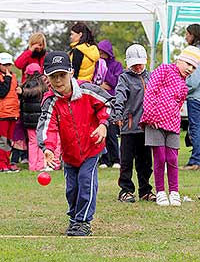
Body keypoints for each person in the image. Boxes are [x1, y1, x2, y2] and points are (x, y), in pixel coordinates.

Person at [36, 51, 112, 236]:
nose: (59, 81)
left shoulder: (88, 90)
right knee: (72, 189)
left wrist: (103, 124)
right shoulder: (50, 101)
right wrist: (48, 149)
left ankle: (83, 222)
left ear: (71, 72)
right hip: (70, 154)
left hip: (92, 148)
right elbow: (48, 127)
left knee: (86, 182)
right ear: (47, 77)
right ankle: (74, 219)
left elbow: (108, 103)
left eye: (62, 75)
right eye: (54, 77)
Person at [140, 45, 200, 206]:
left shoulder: (184, 82)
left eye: (194, 67)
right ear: (180, 60)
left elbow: (179, 102)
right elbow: (151, 90)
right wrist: (151, 114)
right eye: (189, 64)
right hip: (155, 122)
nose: (191, 69)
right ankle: (160, 192)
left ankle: (174, 191)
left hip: (172, 123)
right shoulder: (164, 70)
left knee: (172, 158)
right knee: (159, 157)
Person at [112, 44, 155, 203]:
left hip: (146, 128)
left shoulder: (150, 76)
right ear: (127, 63)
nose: (137, 67)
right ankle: (126, 191)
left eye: (140, 63)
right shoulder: (124, 78)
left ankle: (145, 190)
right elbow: (120, 95)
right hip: (129, 127)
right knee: (126, 162)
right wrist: (117, 112)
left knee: (146, 163)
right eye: (134, 64)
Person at [97, 39, 123, 168]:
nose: (101, 54)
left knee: (112, 132)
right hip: (99, 102)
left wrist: (105, 69)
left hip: (112, 101)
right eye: (99, 52)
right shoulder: (96, 64)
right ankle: (104, 159)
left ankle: (116, 159)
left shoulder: (116, 65)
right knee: (102, 131)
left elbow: (116, 82)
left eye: (103, 52)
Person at [19, 63, 49, 171]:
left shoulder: (25, 86)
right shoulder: (44, 86)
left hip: (28, 120)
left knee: (32, 142)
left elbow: (23, 96)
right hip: (41, 119)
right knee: (41, 142)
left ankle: (32, 166)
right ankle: (41, 165)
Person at [180, 24, 200, 170]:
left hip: (195, 97)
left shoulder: (194, 52)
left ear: (193, 35)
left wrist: (181, 90)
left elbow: (193, 80)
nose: (186, 37)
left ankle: (195, 161)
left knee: (195, 128)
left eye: (187, 34)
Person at [0, 52, 20, 172]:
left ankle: (7, 163)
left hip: (13, 113)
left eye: (9, 64)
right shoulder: (7, 77)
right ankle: (2, 164)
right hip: (2, 114)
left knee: (9, 141)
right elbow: (2, 93)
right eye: (4, 64)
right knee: (3, 141)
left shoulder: (13, 77)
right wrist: (7, 78)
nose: (7, 67)